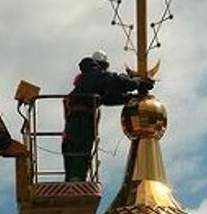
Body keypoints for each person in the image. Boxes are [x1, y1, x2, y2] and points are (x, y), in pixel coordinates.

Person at [62, 50, 153, 181]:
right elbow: (113, 80)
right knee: (80, 149)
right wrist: (136, 83)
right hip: (81, 120)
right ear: (101, 65)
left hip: (77, 120)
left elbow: (107, 97)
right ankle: (76, 180)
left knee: (78, 150)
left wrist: (128, 98)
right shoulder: (94, 74)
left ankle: (75, 179)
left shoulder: (89, 80)